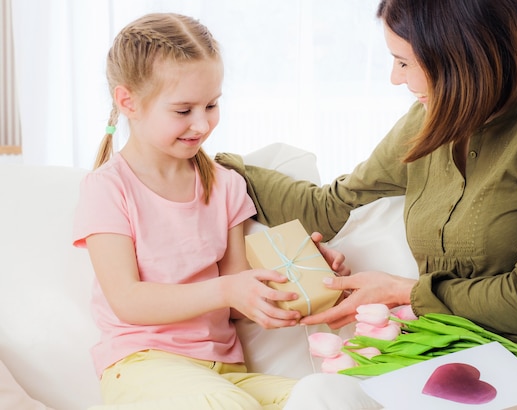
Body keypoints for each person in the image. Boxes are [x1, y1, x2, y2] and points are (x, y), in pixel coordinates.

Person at [216, 0, 517, 408]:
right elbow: (330, 205)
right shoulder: (430, 120)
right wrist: (210, 162)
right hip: (438, 351)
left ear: (459, 56)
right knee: (321, 393)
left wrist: (403, 292)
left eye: (403, 62)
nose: (393, 77)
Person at [72, 13, 349, 410]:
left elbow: (239, 301)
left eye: (212, 105)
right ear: (128, 101)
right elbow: (128, 300)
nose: (202, 124)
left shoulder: (225, 185)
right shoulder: (107, 188)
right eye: (183, 110)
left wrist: (307, 277)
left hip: (225, 371)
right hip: (142, 366)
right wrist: (224, 289)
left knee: (330, 397)